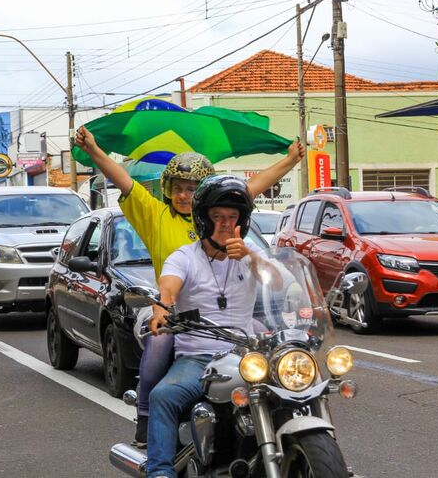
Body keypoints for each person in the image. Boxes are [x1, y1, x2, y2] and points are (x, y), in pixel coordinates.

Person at [74, 125, 305, 446]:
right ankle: (145, 417)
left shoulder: (217, 216)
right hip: (173, 310)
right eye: (178, 187)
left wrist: (291, 160)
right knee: (159, 341)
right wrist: (94, 151)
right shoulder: (154, 214)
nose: (184, 195)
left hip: (226, 313)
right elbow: (122, 180)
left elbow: (252, 187)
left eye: (193, 188)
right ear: (167, 189)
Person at [146, 175, 263, 478]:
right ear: (203, 220)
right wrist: (162, 308)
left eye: (232, 217)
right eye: (217, 217)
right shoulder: (184, 257)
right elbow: (169, 288)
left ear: (243, 221)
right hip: (199, 358)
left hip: (246, 356)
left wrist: (250, 258)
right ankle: (160, 472)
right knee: (163, 396)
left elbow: (280, 282)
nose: (225, 224)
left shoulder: (250, 254)